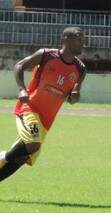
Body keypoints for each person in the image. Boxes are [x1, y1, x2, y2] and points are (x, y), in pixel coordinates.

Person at [0, 27, 86, 181]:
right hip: (29, 109)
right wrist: (22, 89)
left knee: (24, 157)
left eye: (83, 39)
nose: (83, 42)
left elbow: (74, 96)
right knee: (33, 145)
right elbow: (19, 65)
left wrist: (75, 97)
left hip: (46, 121)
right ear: (66, 39)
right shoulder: (46, 55)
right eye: (79, 38)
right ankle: (3, 156)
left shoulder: (80, 69)